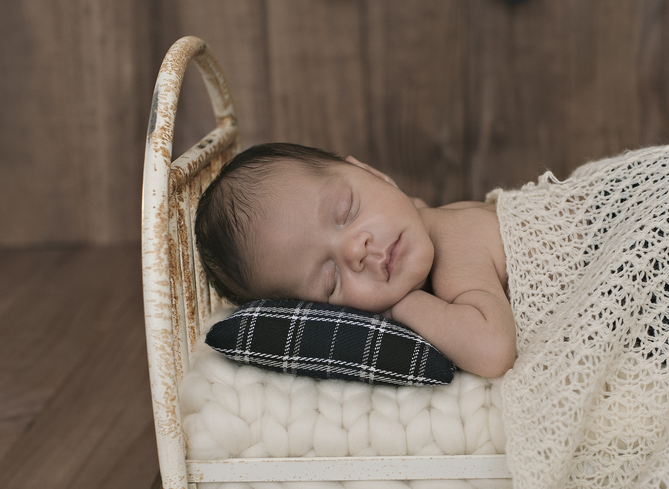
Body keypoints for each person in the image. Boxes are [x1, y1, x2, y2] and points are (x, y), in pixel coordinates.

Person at [195, 143, 516, 378]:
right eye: (331, 279)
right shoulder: (416, 219)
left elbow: (494, 352)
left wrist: (400, 306)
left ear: (371, 173)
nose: (356, 250)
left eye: (346, 210)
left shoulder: (456, 240)